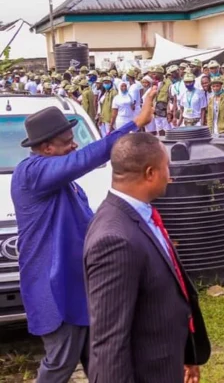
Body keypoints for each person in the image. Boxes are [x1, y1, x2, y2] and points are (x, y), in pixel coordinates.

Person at [10, 88, 156, 382]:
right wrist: (135, 123)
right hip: (56, 291)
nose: (74, 145)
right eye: (67, 142)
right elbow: (84, 159)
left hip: (80, 288)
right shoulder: (31, 173)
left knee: (102, 360)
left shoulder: (66, 185)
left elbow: (88, 225)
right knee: (60, 363)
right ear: (46, 148)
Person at [84, 133, 210, 383]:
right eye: (167, 167)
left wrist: (185, 354)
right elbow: (109, 342)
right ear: (150, 173)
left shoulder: (140, 216)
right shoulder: (115, 239)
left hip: (166, 362)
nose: (170, 176)